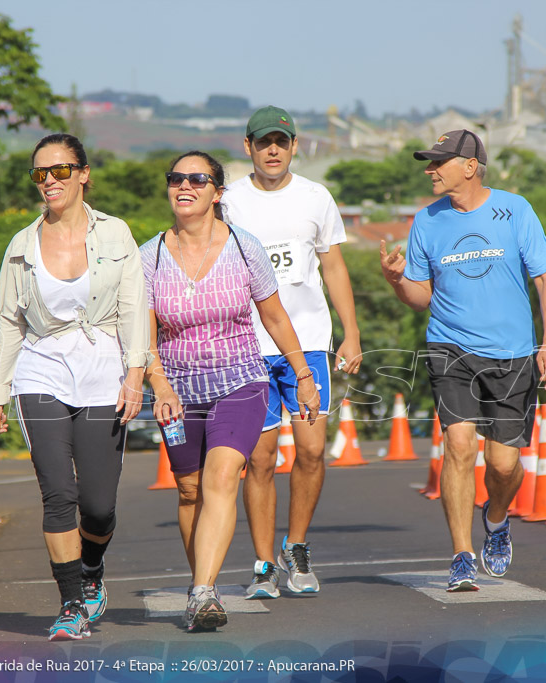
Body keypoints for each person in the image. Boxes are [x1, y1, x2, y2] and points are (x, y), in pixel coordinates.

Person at [140, 150, 320, 632]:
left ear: (217, 193)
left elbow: (275, 315)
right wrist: (158, 383)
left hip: (241, 381)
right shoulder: (150, 256)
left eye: (197, 179)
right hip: (176, 390)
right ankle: (206, 580)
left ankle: (201, 593)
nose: (184, 186)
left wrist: (304, 377)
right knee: (189, 489)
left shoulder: (245, 248)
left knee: (222, 475)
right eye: (175, 177)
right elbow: (142, 334)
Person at [379, 130, 546, 592]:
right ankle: (461, 554)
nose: (430, 170)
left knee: (502, 465)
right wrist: (397, 281)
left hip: (513, 352)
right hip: (451, 348)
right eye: (429, 162)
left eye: (439, 162)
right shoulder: (427, 220)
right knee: (458, 446)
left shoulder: (514, 209)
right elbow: (421, 297)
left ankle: (496, 517)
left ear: (469, 165)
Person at [0, 133, 150, 640]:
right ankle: (71, 604)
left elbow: (134, 309)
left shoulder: (117, 234)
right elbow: (7, 321)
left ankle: (92, 569)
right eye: (40, 174)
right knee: (58, 494)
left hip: (104, 374)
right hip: (41, 372)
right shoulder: (22, 244)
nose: (49, 181)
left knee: (98, 506)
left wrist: (136, 375)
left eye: (60, 171)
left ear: (83, 173)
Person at [221, 105, 361, 599]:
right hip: (249, 345)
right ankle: (263, 564)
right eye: (263, 142)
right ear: (249, 148)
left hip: (307, 343)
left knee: (312, 449)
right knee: (258, 460)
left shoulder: (316, 197)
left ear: (295, 146)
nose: (273, 150)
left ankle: (295, 547)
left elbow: (334, 267)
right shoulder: (229, 201)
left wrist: (352, 333)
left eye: (281, 141)